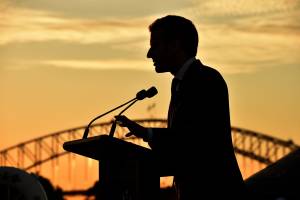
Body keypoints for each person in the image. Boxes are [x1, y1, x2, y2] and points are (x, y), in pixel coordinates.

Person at [115, 15, 246, 199]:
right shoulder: (181, 83)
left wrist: (147, 133)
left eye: (155, 45)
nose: (149, 54)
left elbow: (192, 139)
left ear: (175, 45)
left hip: (214, 191)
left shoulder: (205, 80)